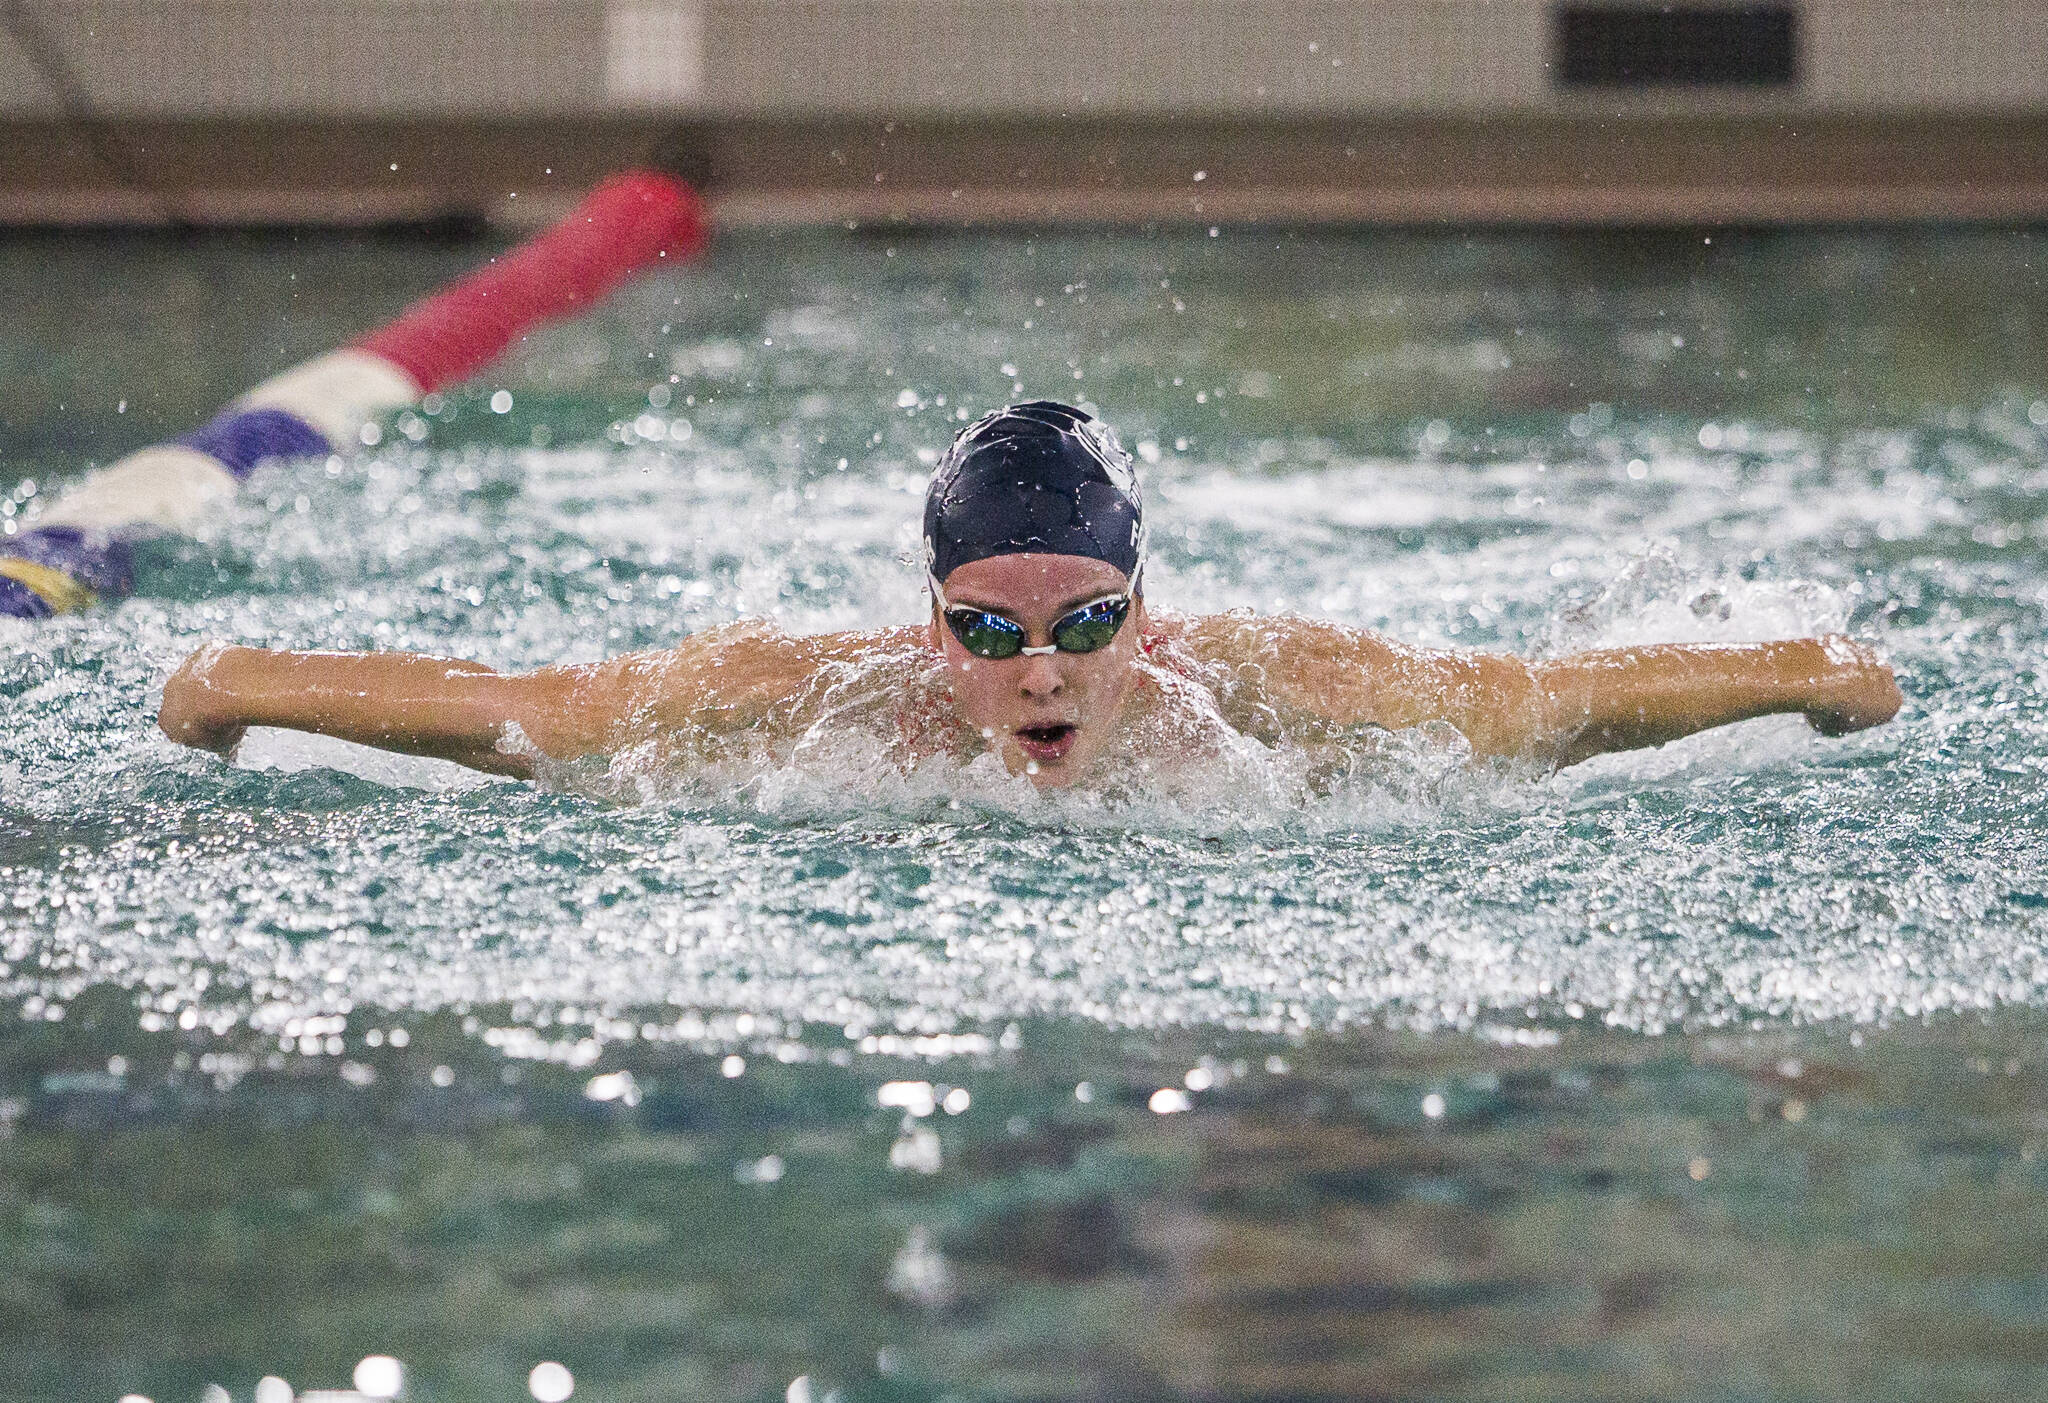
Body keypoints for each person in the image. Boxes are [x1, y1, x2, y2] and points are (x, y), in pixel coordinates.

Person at [157, 401, 1902, 791]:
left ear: (1147, 614)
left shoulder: (1269, 686)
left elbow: (1534, 706)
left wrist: (1808, 672)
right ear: (935, 626)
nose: (1040, 671)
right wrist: (235, 680)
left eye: (1084, 624)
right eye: (989, 631)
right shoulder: (817, 695)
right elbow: (522, 713)